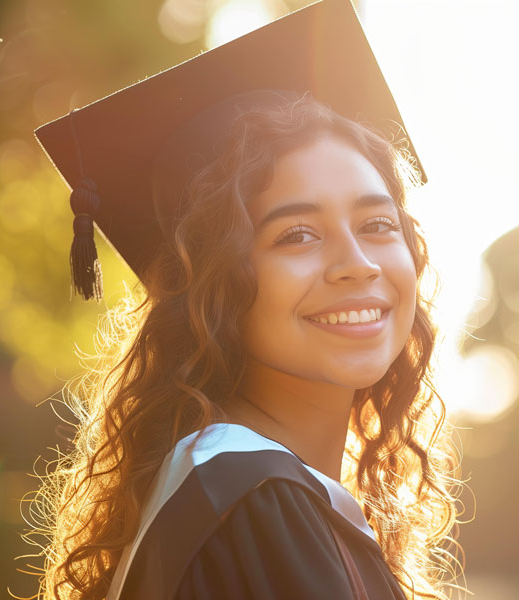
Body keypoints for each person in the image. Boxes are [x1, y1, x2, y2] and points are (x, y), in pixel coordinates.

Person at [29, 2, 464, 599]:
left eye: (377, 225)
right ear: (210, 281)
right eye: (297, 235)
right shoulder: (256, 498)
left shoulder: (241, 490)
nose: (358, 264)